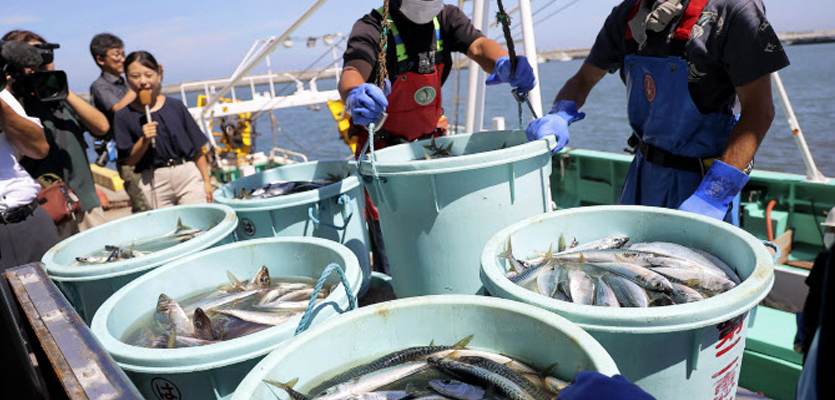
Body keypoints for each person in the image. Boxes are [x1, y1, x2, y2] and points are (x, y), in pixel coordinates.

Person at [525, 0, 790, 225]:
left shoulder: (734, 9)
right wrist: (560, 113)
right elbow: (584, 79)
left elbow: (759, 110)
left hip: (703, 181)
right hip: (643, 174)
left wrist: (713, 195)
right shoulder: (627, 15)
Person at [340, 0, 536, 273]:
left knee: (442, 231)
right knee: (393, 239)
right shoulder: (372, 27)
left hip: (431, 149)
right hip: (385, 156)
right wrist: (353, 94)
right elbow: (353, 70)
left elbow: (479, 46)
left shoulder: (446, 18)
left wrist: (504, 62)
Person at [3, 29, 111, 239]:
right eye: (28, 57)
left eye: (44, 56)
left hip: (84, 202)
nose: (39, 63)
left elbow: (102, 126)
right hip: (46, 209)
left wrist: (60, 89)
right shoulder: (11, 104)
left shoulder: (61, 100)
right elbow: (18, 153)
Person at [113, 51, 213, 208]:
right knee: (166, 223)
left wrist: (206, 181)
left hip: (186, 173)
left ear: (158, 75)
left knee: (197, 218)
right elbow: (129, 160)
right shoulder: (123, 116)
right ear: (127, 78)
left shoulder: (175, 106)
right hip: (153, 178)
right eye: (135, 76)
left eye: (148, 75)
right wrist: (144, 140)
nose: (143, 81)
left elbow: (197, 149)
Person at [0, 68, 60, 270]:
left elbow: (38, 149)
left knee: (55, 288)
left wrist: (2, 107)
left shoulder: (3, 96)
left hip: (30, 218)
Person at [89, 33, 149, 214]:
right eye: (116, 55)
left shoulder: (125, 83)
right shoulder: (100, 86)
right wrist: (137, 85)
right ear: (100, 59)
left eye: (123, 54)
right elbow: (118, 108)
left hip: (145, 145)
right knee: (143, 205)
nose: (123, 59)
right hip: (128, 154)